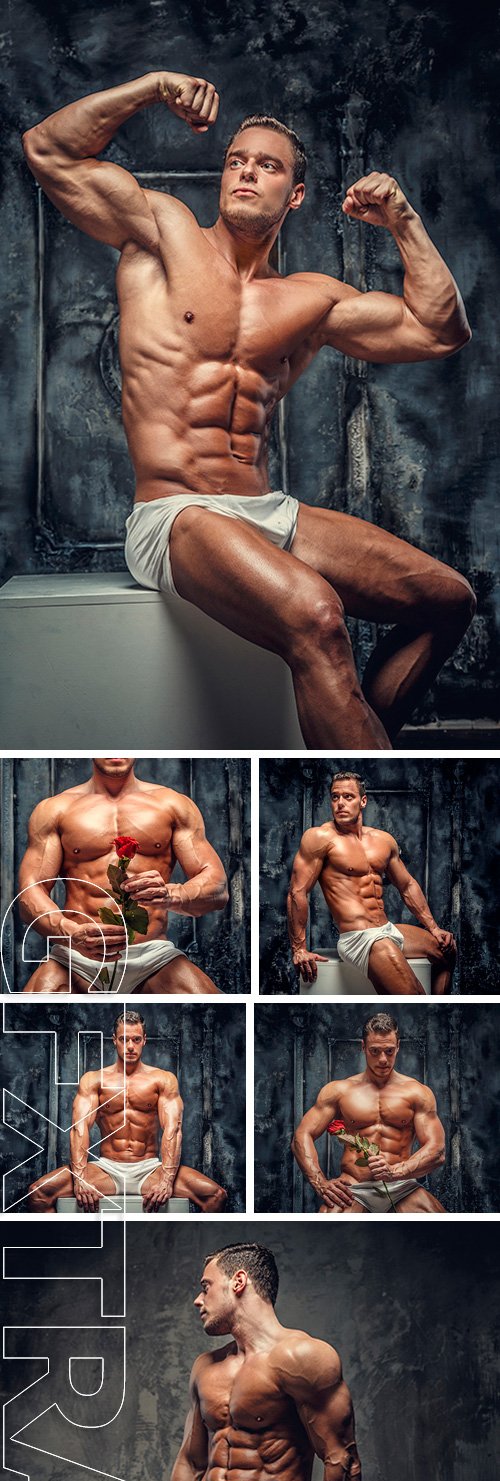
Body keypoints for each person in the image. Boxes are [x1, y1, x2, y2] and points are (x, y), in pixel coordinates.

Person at [22, 73, 476, 750]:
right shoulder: (160, 233)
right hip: (176, 516)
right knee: (318, 614)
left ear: (294, 194)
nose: (245, 172)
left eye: (267, 166)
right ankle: (360, 781)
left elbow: (440, 330)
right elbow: (48, 150)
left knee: (448, 603)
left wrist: (403, 220)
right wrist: (150, 89)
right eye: (236, 160)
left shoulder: (310, 300)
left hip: (265, 513)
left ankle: (359, 751)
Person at [96, 1242, 363, 1481]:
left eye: (205, 1287)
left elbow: (342, 1459)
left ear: (238, 1281)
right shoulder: (206, 1367)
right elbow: (192, 1459)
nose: (196, 1300)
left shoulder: (304, 1356)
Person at [17, 757, 228, 992]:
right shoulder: (55, 810)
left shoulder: (173, 805)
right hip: (76, 955)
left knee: (208, 1001)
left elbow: (218, 888)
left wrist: (172, 894)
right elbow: (29, 892)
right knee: (31, 1011)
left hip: (153, 957)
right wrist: (72, 933)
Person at [26, 1010, 227, 1213]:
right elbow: (79, 1129)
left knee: (215, 1195)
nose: (130, 1046)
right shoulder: (94, 1080)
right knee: (38, 1193)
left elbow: (173, 1130)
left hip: (149, 1168)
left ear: (144, 1040)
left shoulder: (163, 1080)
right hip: (107, 1169)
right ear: (114, 1040)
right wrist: (80, 1179)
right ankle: (66, 1244)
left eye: (136, 1039)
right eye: (124, 1039)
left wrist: (166, 1180)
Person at [287, 769, 456, 993]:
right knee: (414, 994)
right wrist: (299, 948)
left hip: (386, 929)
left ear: (363, 801)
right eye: (335, 797)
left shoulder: (383, 840)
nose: (340, 803)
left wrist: (434, 928)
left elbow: (407, 886)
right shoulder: (320, 838)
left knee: (447, 951)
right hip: (359, 938)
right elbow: (296, 893)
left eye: (348, 797)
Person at [292, 1012, 446, 1213]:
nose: (383, 1059)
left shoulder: (417, 1092)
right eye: (374, 1051)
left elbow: (438, 1150)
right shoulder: (339, 1090)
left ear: (398, 1047)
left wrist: (395, 1171)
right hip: (353, 1186)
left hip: (401, 1185)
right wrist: (320, 1183)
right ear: (363, 1047)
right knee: (328, 1227)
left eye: (389, 1051)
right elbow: (302, 1135)